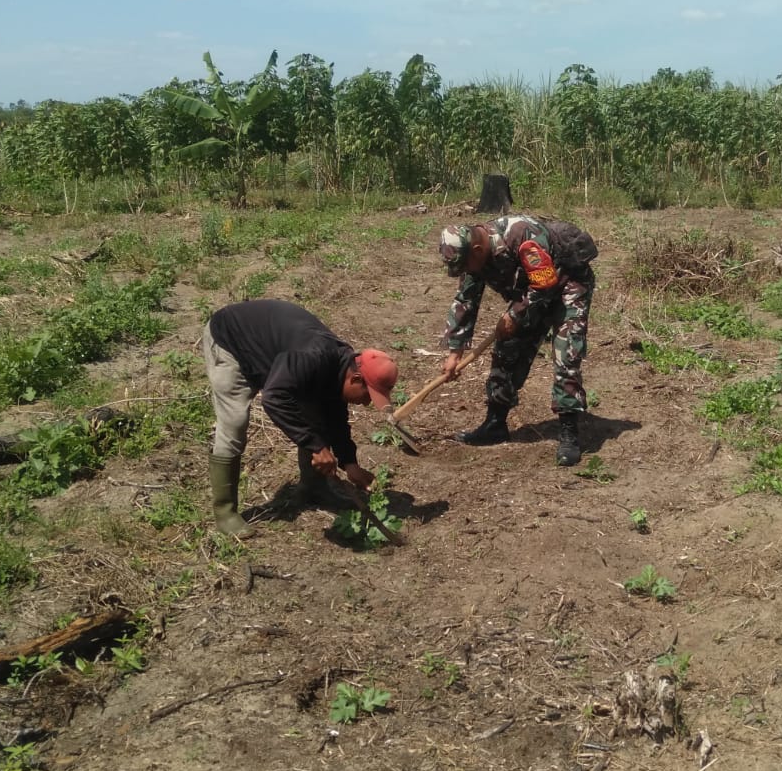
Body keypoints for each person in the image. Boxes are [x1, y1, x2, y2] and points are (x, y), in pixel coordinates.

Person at [199, 298, 398, 536]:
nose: (366, 403)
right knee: (234, 424)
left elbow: (335, 417)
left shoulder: (339, 366)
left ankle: (314, 488)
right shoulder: (313, 356)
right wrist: (315, 446)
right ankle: (225, 513)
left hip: (268, 352)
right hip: (230, 340)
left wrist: (349, 463)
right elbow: (273, 398)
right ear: (355, 379)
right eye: (368, 395)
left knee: (317, 415)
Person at [436, 213, 598, 466]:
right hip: (532, 290)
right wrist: (454, 352)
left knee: (566, 354)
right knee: (507, 348)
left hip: (568, 283)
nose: (465, 271)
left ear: (477, 250)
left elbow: (545, 284)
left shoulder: (523, 235)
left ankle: (569, 433)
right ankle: (495, 424)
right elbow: (465, 300)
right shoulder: (472, 256)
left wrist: (514, 314)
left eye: (466, 264)